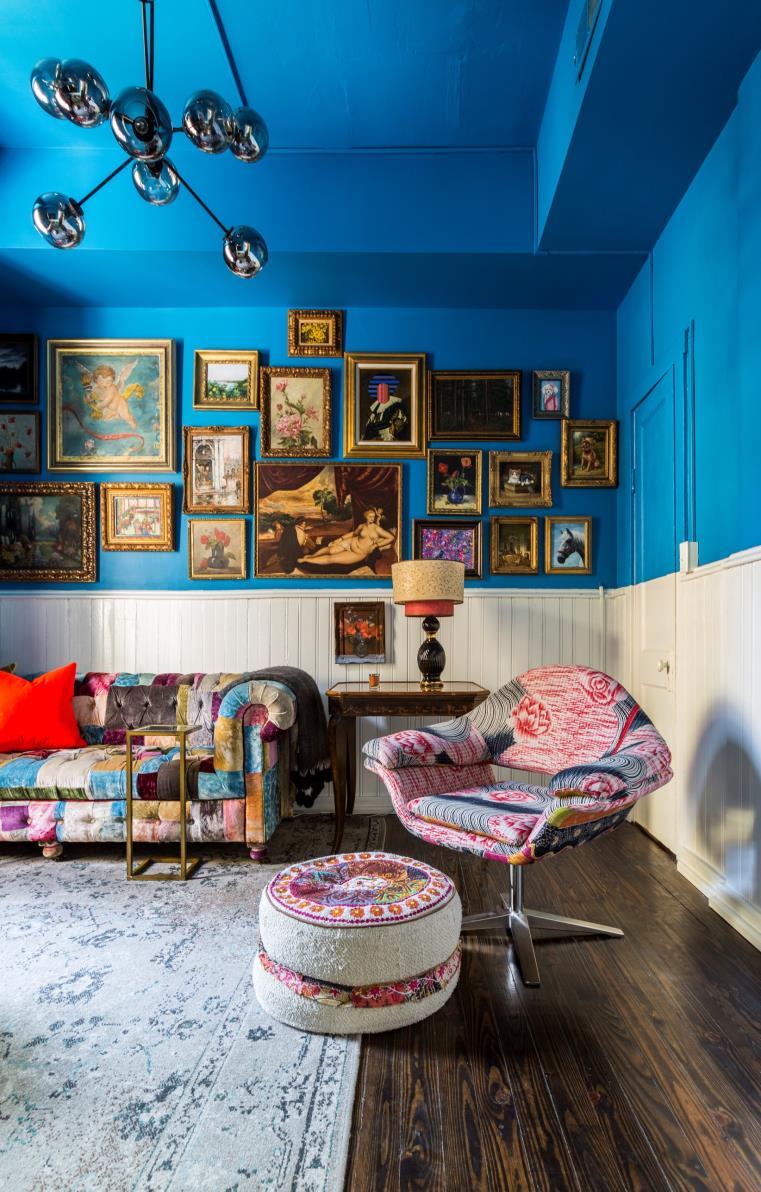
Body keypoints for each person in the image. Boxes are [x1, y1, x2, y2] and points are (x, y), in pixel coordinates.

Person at [299, 508, 395, 568]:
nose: (372, 519)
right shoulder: (361, 526)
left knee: (331, 559)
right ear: (366, 517)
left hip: (358, 553)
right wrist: (340, 539)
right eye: (370, 517)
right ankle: (312, 556)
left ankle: (307, 560)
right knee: (330, 550)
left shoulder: (377, 529)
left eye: (373, 517)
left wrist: (376, 545)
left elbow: (390, 537)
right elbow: (354, 534)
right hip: (350, 542)